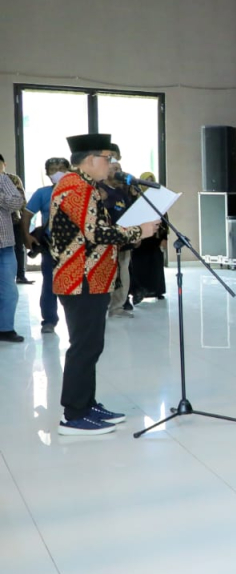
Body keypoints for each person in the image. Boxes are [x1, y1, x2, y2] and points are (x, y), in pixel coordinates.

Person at [51, 133, 156, 434]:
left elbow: (97, 229)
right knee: (84, 347)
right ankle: (73, 415)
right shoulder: (75, 186)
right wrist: (139, 231)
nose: (111, 164)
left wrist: (134, 230)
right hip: (79, 279)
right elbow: (95, 233)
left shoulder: (87, 186)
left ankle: (87, 404)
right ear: (90, 159)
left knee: (92, 346)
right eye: (107, 158)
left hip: (92, 278)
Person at [26, 157, 71, 334]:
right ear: (47, 173)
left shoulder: (79, 191)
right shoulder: (42, 193)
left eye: (61, 168)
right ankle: (49, 320)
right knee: (50, 284)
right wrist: (26, 237)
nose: (57, 172)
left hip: (77, 247)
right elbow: (26, 215)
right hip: (51, 246)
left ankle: (77, 319)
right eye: (53, 169)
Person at [100, 146, 139, 318]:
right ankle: (104, 308)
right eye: (115, 169)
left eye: (120, 169)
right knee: (109, 275)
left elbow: (131, 213)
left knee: (123, 272)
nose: (119, 172)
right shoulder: (100, 190)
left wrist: (136, 233)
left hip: (124, 241)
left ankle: (118, 307)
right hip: (107, 241)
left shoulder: (122, 192)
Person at [128, 172, 169, 305]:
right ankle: (139, 291)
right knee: (140, 266)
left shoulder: (158, 200)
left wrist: (164, 238)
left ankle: (157, 291)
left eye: (152, 181)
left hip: (155, 238)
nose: (149, 184)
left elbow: (165, 219)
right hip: (141, 238)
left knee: (155, 265)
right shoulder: (135, 198)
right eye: (147, 181)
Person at [0, 154, 31, 285]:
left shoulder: (11, 179)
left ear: (4, 164)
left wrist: (25, 221)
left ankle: (20, 275)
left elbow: (20, 200)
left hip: (14, 219)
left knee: (18, 247)